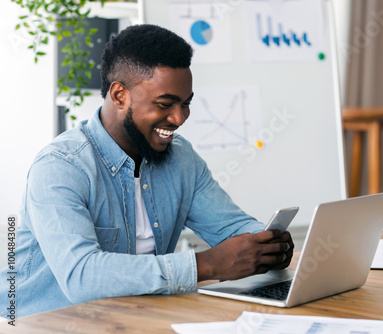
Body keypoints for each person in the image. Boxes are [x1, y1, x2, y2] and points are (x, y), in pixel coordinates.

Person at [0, 24, 294, 319]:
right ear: (119, 96)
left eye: (186, 103)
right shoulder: (60, 166)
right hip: (42, 324)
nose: (179, 118)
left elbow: (230, 227)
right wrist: (205, 265)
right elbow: (82, 276)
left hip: (133, 319)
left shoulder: (182, 158)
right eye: (165, 104)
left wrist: (266, 242)